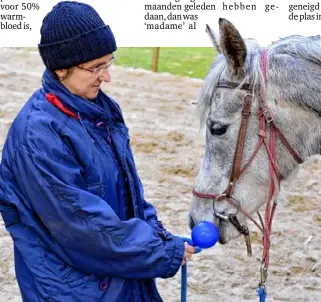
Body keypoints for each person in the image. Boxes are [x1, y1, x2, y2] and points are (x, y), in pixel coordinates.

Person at [0, 1, 195, 301]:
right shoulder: (37, 136)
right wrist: (161, 251)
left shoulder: (101, 111)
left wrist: (158, 234)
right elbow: (82, 227)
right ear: (60, 68)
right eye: (96, 67)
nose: (107, 77)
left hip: (123, 278)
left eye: (109, 62)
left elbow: (129, 193)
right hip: (78, 291)